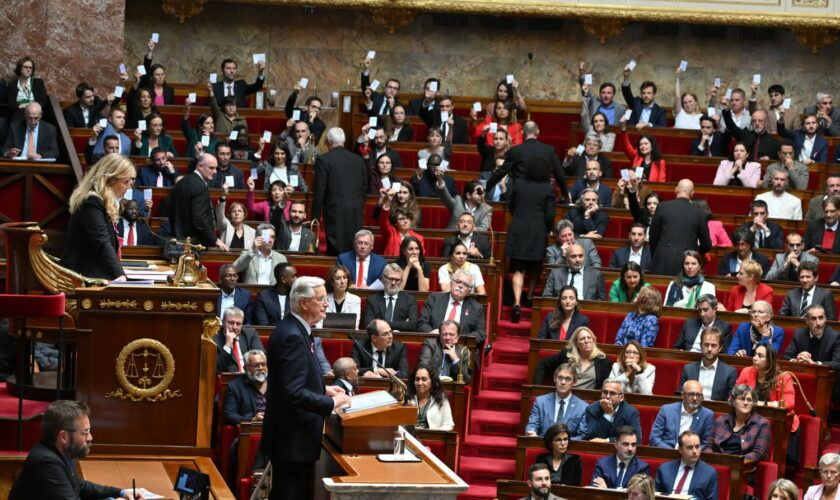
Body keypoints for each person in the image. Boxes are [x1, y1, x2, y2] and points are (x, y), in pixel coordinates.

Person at [260, 277, 351, 500]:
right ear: (303, 303)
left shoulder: (296, 329)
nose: (326, 303)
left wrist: (324, 390)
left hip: (294, 437)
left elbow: (294, 380)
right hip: (292, 439)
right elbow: (292, 392)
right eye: (320, 299)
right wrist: (331, 403)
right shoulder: (291, 335)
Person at [8, 400, 145, 500]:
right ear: (64, 436)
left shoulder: (63, 452)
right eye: (85, 432)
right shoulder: (46, 462)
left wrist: (120, 493)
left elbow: (80, 486)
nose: (90, 437)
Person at [60, 154, 133, 280]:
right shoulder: (91, 202)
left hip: (94, 274)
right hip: (83, 278)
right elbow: (102, 241)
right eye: (125, 181)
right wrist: (119, 274)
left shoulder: (101, 201)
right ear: (110, 180)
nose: (129, 186)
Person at [506, 156, 556, 321]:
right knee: (535, 266)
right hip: (538, 229)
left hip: (519, 228)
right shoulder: (548, 188)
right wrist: (548, 228)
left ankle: (517, 303)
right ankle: (528, 299)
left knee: (519, 269)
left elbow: (511, 206)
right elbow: (550, 214)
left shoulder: (519, 184)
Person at [312, 128, 368, 255]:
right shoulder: (358, 160)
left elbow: (320, 189)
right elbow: (365, 186)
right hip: (355, 209)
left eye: (326, 142)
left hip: (334, 208)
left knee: (335, 247)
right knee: (353, 244)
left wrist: (314, 216)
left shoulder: (324, 160)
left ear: (330, 142)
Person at [485, 120, 570, 203]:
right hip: (543, 197)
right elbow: (560, 175)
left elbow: (501, 172)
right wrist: (565, 194)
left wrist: (486, 189)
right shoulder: (549, 150)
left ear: (522, 132)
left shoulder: (515, 150)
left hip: (521, 197)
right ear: (537, 131)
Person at [649, 180, 711, 277]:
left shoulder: (662, 207)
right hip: (687, 261)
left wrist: (658, 253)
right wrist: (694, 253)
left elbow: (653, 236)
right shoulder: (699, 212)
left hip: (663, 258)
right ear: (692, 193)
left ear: (676, 190)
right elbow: (707, 244)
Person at [169, 153, 228, 249]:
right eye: (211, 168)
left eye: (216, 168)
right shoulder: (200, 186)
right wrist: (215, 239)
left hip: (178, 241)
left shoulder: (181, 182)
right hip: (194, 245)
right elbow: (199, 219)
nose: (215, 171)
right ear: (200, 166)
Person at [706, 384, 771, 464]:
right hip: (718, 464)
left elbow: (759, 453)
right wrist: (714, 460)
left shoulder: (761, 423)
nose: (746, 403)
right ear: (733, 402)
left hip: (743, 467)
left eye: (749, 400)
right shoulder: (721, 420)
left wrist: (734, 462)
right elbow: (708, 446)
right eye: (741, 399)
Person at [418, 271, 487, 345]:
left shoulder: (476, 308)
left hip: (460, 347)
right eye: (458, 281)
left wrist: (460, 339)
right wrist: (432, 333)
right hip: (434, 343)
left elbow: (481, 333)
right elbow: (422, 323)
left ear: (469, 291)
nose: (460, 286)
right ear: (451, 283)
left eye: (465, 284)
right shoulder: (434, 299)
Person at [533, 327, 612, 388]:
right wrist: (537, 388)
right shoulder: (567, 355)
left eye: (589, 338)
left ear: (593, 340)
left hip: (587, 402)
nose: (586, 341)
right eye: (582, 339)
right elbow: (542, 363)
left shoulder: (604, 361)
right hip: (564, 396)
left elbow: (603, 387)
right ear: (576, 344)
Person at [526, 364, 589, 439]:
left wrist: (561, 441)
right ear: (555, 379)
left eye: (568, 379)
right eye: (560, 378)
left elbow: (582, 435)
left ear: (574, 382)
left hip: (567, 448)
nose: (563, 382)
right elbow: (533, 425)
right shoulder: (540, 402)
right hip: (543, 445)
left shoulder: (583, 407)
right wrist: (531, 432)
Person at [655, 430, 718, 500]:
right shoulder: (664, 469)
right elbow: (655, 495)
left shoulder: (709, 473)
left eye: (697, 447)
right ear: (680, 449)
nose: (695, 451)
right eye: (690, 447)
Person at [649, 381, 714, 449]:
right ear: (682, 395)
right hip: (667, 452)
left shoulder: (707, 415)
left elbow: (706, 443)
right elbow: (654, 438)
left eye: (698, 395)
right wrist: (673, 451)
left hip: (692, 456)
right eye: (691, 394)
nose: (695, 398)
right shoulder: (666, 410)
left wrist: (690, 451)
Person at [680, 328, 739, 401]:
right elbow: (681, 395)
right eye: (706, 345)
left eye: (713, 345)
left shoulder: (729, 372)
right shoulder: (688, 369)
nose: (709, 349)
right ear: (701, 346)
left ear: (720, 348)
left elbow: (731, 400)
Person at [363, 264, 418, 332]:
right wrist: (403, 324)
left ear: (401, 281)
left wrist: (380, 323)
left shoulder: (409, 300)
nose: (393, 283)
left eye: (397, 280)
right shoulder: (372, 300)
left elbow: (413, 325)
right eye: (390, 279)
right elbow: (368, 325)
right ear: (383, 278)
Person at [214, 306, 265, 373]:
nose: (235, 327)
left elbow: (261, 358)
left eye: (238, 324)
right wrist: (227, 345)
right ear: (223, 322)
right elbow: (217, 368)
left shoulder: (250, 334)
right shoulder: (214, 339)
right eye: (231, 323)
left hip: (251, 376)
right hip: (229, 380)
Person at [406, 363, 455, 430]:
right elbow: (398, 424)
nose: (420, 383)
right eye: (417, 379)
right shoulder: (407, 398)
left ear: (432, 381)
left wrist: (428, 431)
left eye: (424, 379)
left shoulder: (441, 399)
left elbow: (449, 426)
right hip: (409, 437)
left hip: (432, 438)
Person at [224, 350, 268, 425]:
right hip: (249, 430)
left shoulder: (276, 383)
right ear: (245, 368)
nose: (261, 368)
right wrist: (252, 419)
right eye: (256, 365)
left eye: (263, 364)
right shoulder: (235, 386)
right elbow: (229, 415)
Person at [323, 264, 362, 328]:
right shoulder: (324, 299)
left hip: (348, 336)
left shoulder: (355, 299)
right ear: (332, 282)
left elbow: (355, 325)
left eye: (345, 277)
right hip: (327, 335)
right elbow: (319, 323)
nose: (342, 281)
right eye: (338, 278)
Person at [137, 38, 173, 105]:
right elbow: (146, 68)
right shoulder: (148, 87)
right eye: (157, 75)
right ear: (152, 76)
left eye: (162, 74)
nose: (160, 77)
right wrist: (150, 51)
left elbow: (170, 110)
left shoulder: (170, 90)